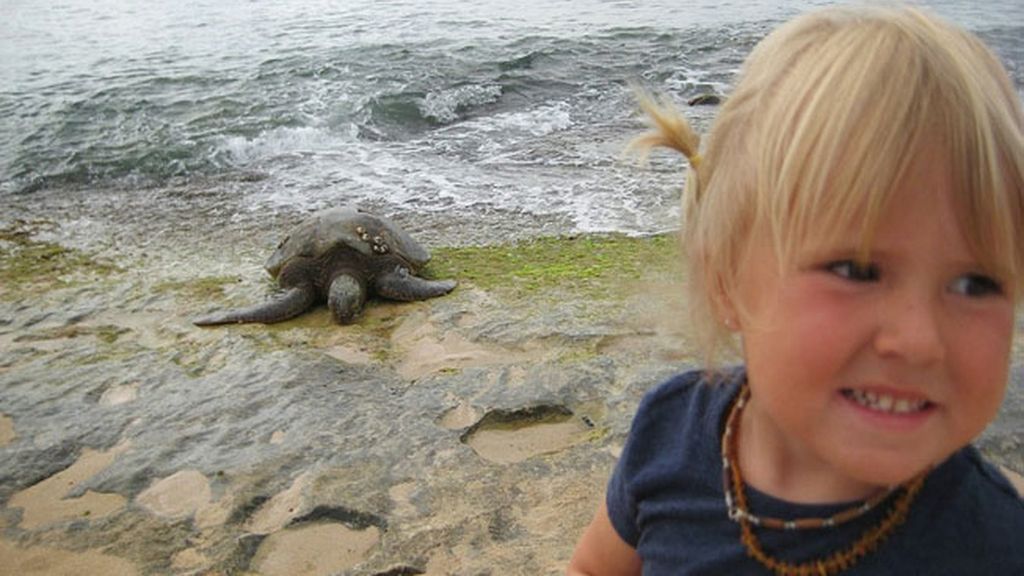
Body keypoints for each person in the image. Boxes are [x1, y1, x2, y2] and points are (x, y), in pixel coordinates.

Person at [567, 4, 1024, 575]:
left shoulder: (994, 545)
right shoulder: (671, 433)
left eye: (974, 282)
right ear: (727, 281)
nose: (920, 340)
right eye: (857, 271)